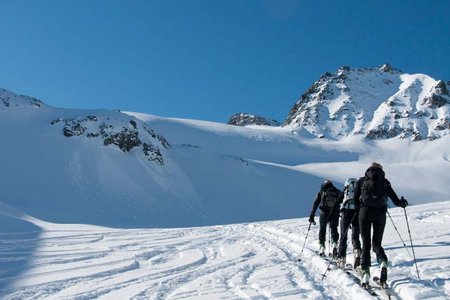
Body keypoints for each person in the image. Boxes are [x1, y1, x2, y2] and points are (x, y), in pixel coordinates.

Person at [354, 162, 408, 286]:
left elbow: (355, 199)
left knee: (366, 242)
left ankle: (365, 271)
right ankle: (382, 261)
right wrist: (403, 203)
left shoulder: (362, 181)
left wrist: (359, 210)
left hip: (365, 212)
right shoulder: (385, 182)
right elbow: (396, 201)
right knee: (377, 243)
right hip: (380, 213)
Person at [309, 180, 341, 257]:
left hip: (324, 212)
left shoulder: (322, 190)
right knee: (334, 229)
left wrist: (312, 214)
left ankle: (322, 247)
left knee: (322, 229)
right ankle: (335, 244)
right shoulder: (336, 191)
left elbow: (316, 203)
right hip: (335, 212)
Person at [335, 178, 362, 269]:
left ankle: (341, 258)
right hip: (357, 212)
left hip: (346, 213)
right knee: (355, 236)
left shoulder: (345, 192)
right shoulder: (359, 191)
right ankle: (357, 252)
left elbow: (338, 201)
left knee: (343, 235)